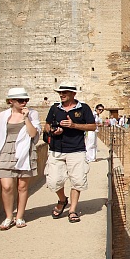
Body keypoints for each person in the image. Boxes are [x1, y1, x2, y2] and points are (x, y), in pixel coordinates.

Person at [0, 87, 40, 229]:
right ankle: (8, 217)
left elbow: (33, 134)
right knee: (7, 186)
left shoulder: (33, 114)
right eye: (20, 100)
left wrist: (26, 118)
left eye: (26, 100)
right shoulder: (2, 116)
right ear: (11, 101)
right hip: (5, 151)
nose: (24, 102)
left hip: (25, 151)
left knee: (22, 186)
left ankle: (19, 217)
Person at [43, 84, 97, 223]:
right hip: (56, 150)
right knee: (54, 181)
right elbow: (47, 125)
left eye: (65, 92)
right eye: (60, 93)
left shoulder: (83, 108)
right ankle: (62, 200)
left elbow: (92, 126)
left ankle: (72, 210)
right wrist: (53, 130)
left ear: (73, 94)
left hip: (76, 149)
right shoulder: (55, 108)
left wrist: (74, 125)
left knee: (77, 181)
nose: (61, 95)